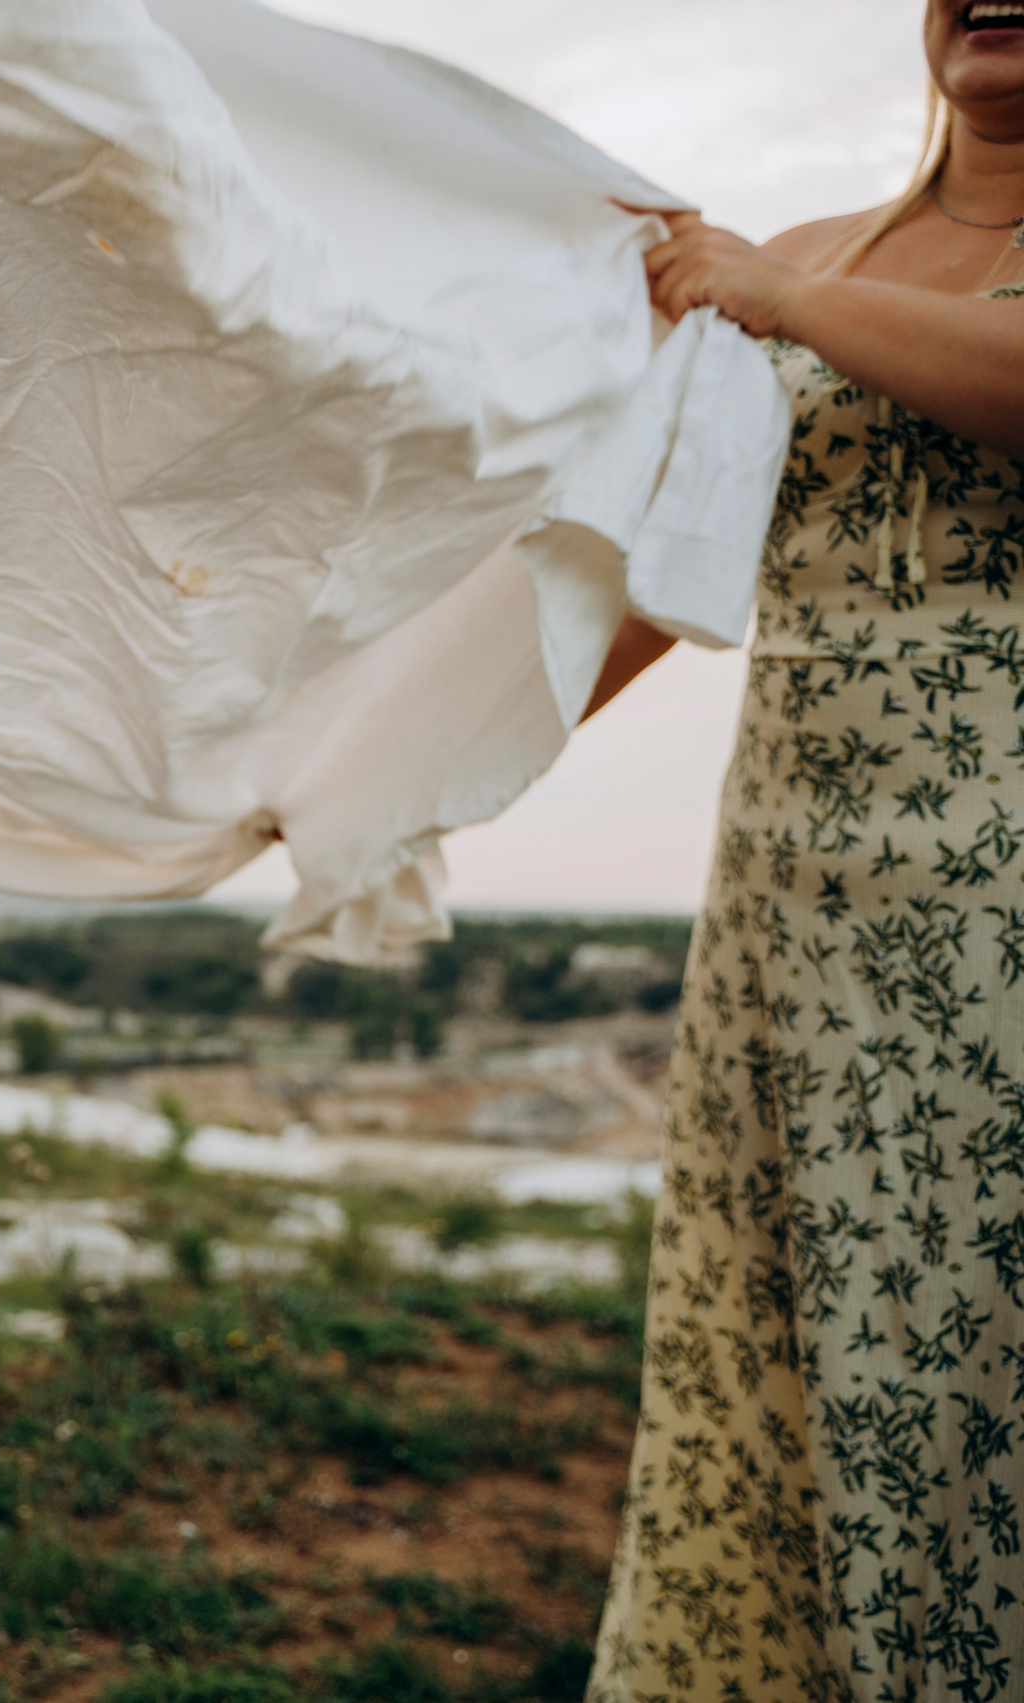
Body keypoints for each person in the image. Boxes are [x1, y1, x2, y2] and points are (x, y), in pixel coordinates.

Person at [582, 8, 1024, 1699]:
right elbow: (669, 560)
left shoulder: (799, 279)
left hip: (1000, 914)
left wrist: (780, 296)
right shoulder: (821, 252)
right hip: (789, 901)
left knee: (963, 1365)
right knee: (771, 1353)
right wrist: (422, 763)